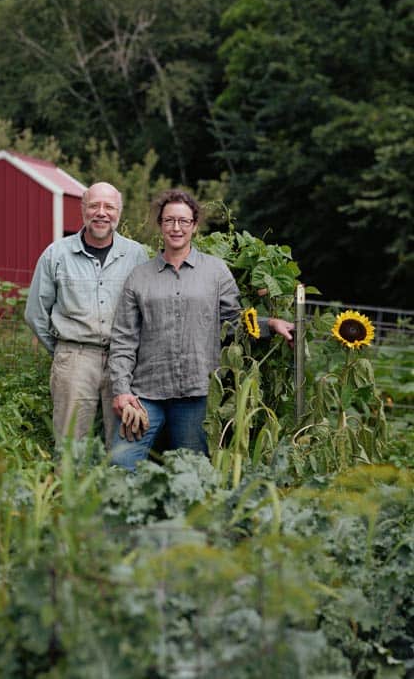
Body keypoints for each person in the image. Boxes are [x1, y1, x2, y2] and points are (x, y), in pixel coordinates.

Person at [109, 189, 294, 471]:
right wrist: (122, 390)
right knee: (121, 463)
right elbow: (123, 339)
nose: (176, 228)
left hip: (197, 393)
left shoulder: (216, 272)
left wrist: (269, 324)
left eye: (184, 221)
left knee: (193, 473)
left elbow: (232, 323)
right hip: (145, 393)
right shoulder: (140, 277)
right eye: (169, 220)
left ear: (195, 225)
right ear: (160, 224)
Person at [24, 182, 148, 448]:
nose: (101, 212)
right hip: (75, 360)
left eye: (109, 207)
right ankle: (67, 490)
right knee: (71, 444)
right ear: (83, 210)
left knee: (125, 443)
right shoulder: (56, 255)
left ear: (119, 212)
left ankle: (117, 490)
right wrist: (63, 351)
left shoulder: (137, 255)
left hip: (125, 362)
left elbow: (146, 311)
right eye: (94, 205)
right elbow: (35, 313)